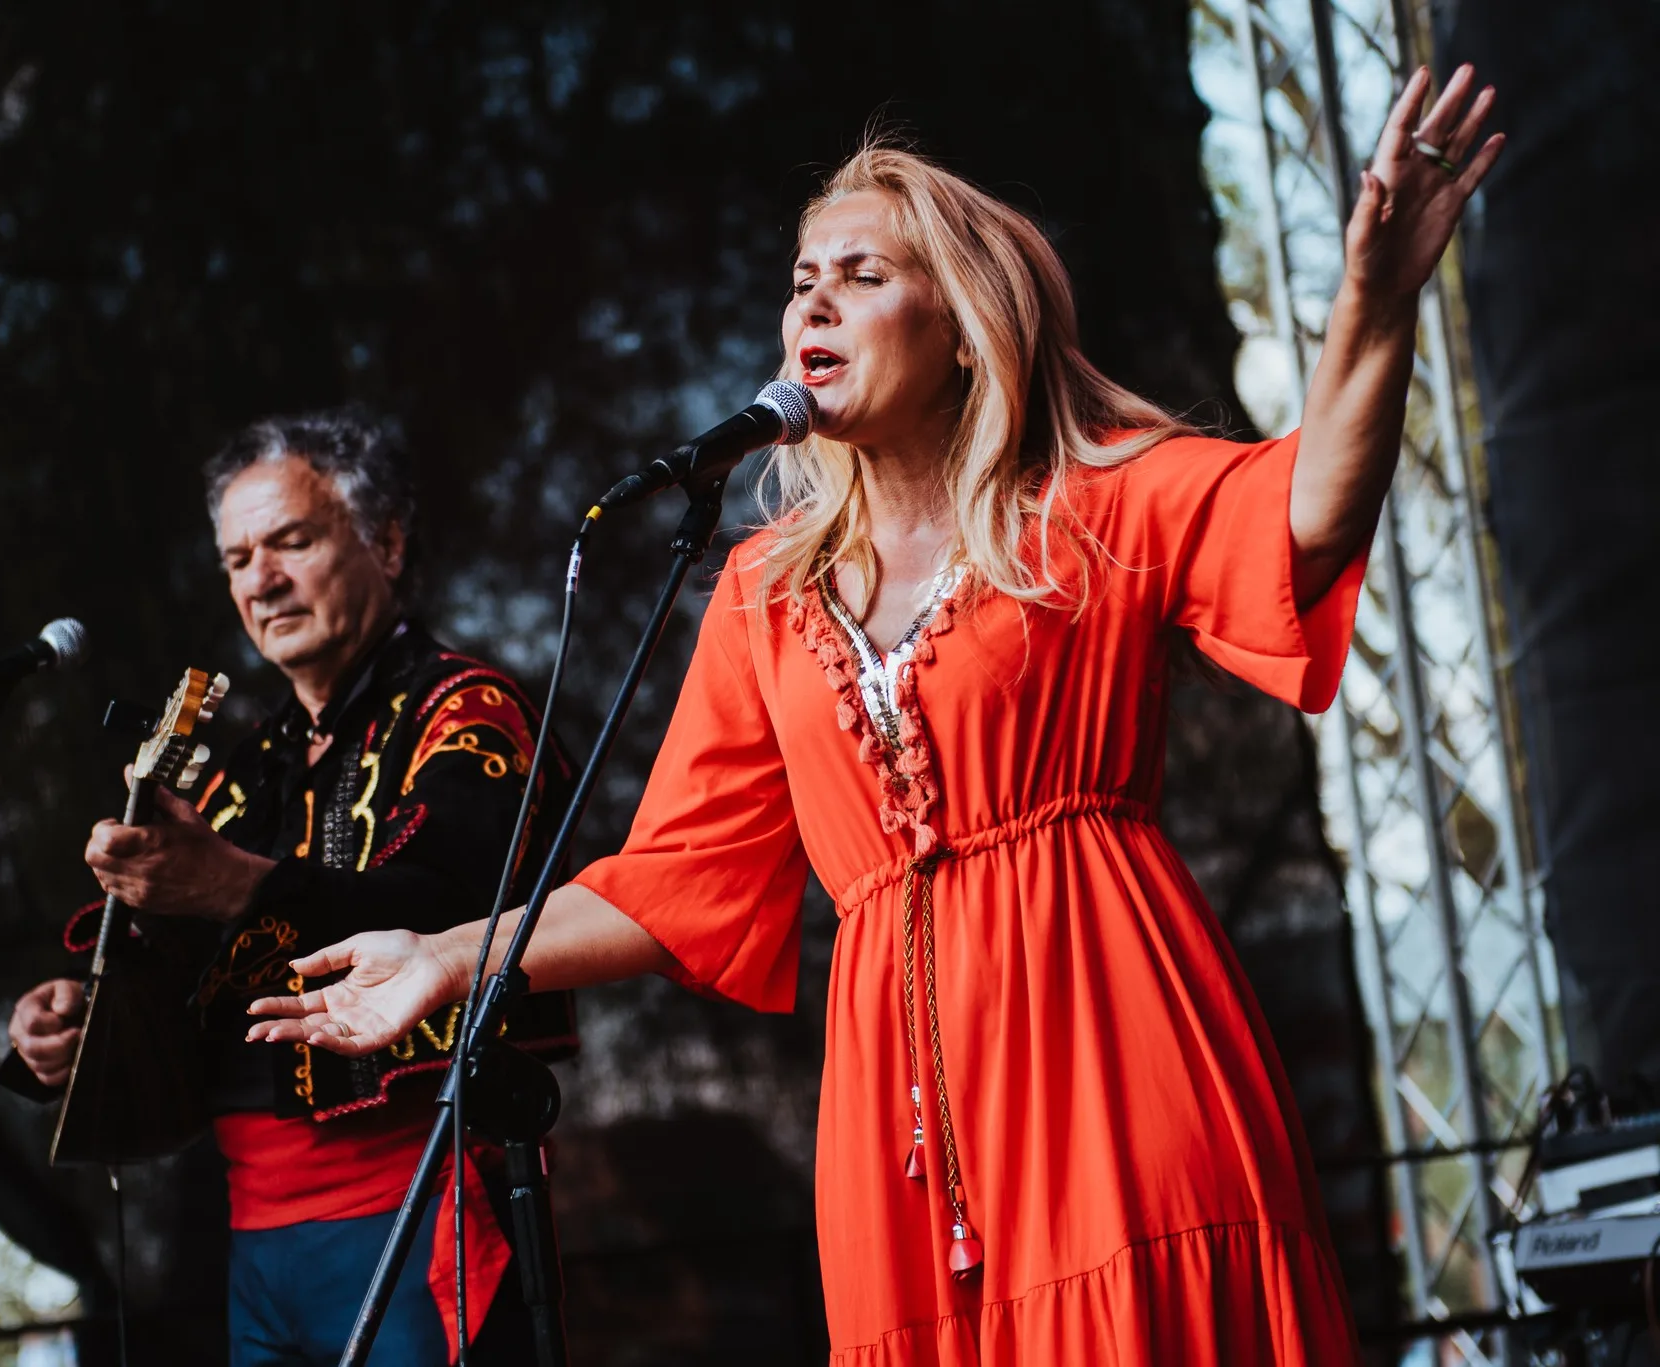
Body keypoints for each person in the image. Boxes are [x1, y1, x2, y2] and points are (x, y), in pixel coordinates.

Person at [246, 68, 1502, 1365]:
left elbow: (1306, 517)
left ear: (961, 327)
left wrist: (1373, 301)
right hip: (897, 1114)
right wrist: (448, 955)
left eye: (861, 274)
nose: (815, 302)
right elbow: (673, 883)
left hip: (1106, 1031)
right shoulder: (765, 592)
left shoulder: (1091, 503)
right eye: (803, 280)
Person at [0, 409, 573, 1367]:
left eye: (291, 542)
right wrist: (73, 1018)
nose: (260, 580)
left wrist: (235, 885)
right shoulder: (244, 770)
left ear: (386, 543)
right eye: (237, 559)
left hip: (419, 1204)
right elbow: (178, 964)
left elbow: (455, 904)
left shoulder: (470, 710)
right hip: (255, 1240)